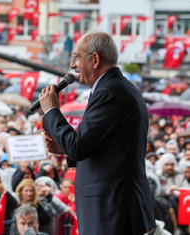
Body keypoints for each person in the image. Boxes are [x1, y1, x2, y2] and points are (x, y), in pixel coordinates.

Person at [38, 31, 156, 234]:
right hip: (114, 206)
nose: (72, 65)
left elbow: (78, 147)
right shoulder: (120, 88)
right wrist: (66, 147)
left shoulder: (109, 92)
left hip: (111, 209)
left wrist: (51, 110)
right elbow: (104, 148)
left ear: (95, 59)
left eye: (75, 57)